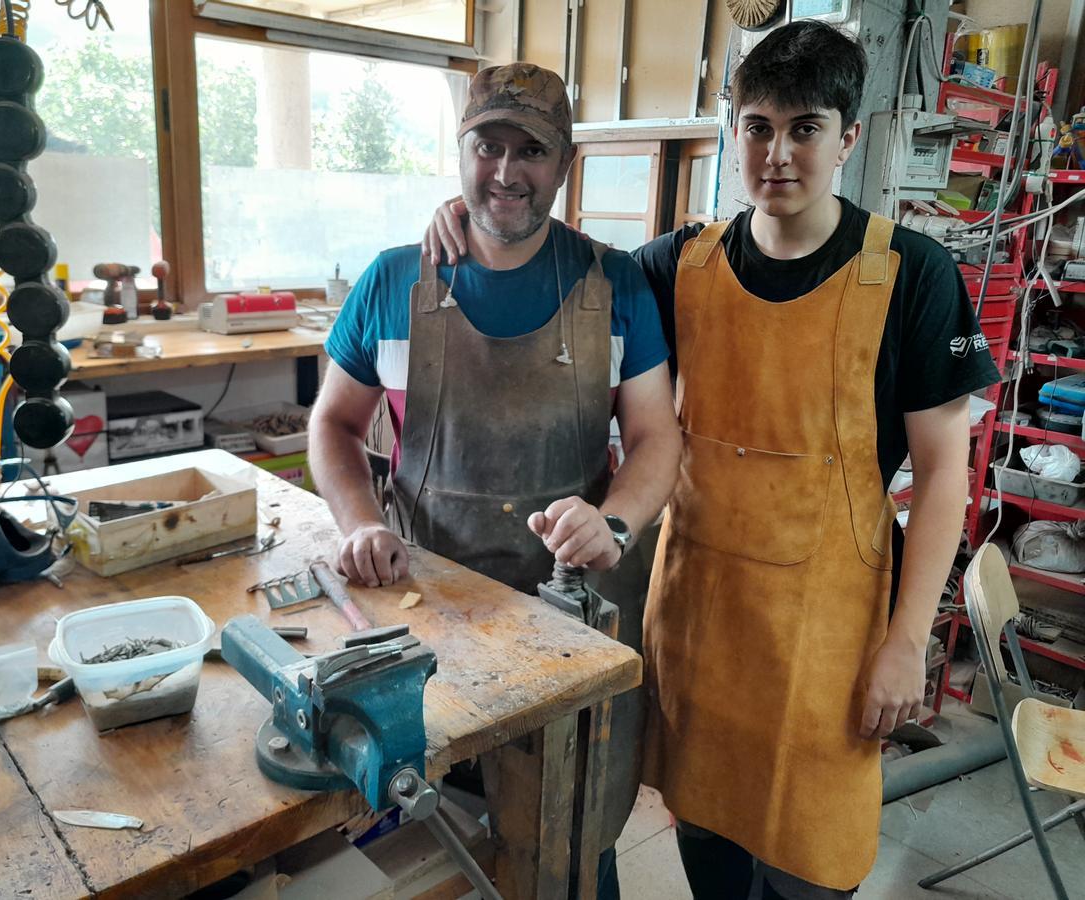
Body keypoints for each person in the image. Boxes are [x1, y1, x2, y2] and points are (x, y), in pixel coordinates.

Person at [422, 22, 1000, 900]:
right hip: (699, 632)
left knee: (813, 867)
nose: (777, 152)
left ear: (848, 136)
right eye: (757, 125)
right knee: (712, 859)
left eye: (805, 127)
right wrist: (473, 212)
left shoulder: (911, 275)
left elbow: (947, 473)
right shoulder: (677, 266)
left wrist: (905, 641)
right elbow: (555, 259)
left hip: (830, 649)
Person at [310, 62, 680, 897]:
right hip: (424, 620)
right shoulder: (392, 280)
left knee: (572, 840)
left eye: (531, 151)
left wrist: (614, 522)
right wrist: (360, 524)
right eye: (488, 145)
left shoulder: (613, 284)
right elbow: (330, 424)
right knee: (430, 831)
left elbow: (658, 439)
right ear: (461, 150)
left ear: (564, 164)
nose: (506, 172)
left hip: (567, 629)